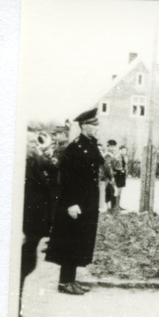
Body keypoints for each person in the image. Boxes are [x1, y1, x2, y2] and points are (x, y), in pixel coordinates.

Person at [46, 108, 105, 295]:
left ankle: (71, 279)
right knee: (71, 240)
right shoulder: (75, 147)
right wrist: (72, 203)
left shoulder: (90, 145)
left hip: (86, 201)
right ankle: (64, 282)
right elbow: (68, 178)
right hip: (76, 202)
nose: (97, 128)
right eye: (94, 125)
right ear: (85, 126)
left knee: (79, 240)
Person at [19, 132, 55, 317]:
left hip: (32, 229)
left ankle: (15, 315)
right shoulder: (22, 165)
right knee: (18, 273)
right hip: (24, 228)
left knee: (24, 270)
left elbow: (52, 168)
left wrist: (44, 152)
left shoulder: (33, 162)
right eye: (32, 142)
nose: (36, 145)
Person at [97, 142, 114, 212]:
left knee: (103, 193)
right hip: (94, 180)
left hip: (101, 179)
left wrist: (109, 179)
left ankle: (102, 208)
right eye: (98, 150)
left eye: (101, 150)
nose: (99, 151)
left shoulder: (103, 160)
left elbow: (108, 170)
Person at [114, 145, 128, 210]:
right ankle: (115, 205)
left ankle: (118, 205)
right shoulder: (116, 157)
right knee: (116, 190)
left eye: (124, 150)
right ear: (119, 151)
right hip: (117, 174)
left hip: (122, 175)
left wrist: (125, 174)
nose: (123, 152)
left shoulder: (126, 158)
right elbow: (113, 166)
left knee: (120, 191)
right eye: (122, 150)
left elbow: (126, 167)